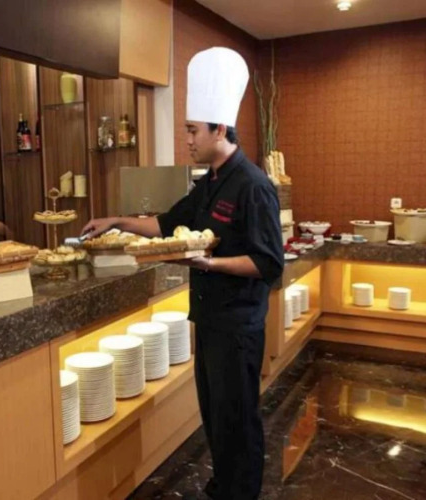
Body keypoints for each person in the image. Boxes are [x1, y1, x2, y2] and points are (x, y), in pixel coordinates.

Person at [82, 47, 283, 499]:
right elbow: (166, 224)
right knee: (215, 414)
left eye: (192, 130)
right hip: (208, 320)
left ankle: (241, 493)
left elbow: (269, 262)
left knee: (239, 419)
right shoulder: (208, 182)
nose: (187, 139)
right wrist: (116, 221)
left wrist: (210, 264)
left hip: (238, 325)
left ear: (219, 129)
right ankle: (223, 486)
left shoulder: (253, 186)